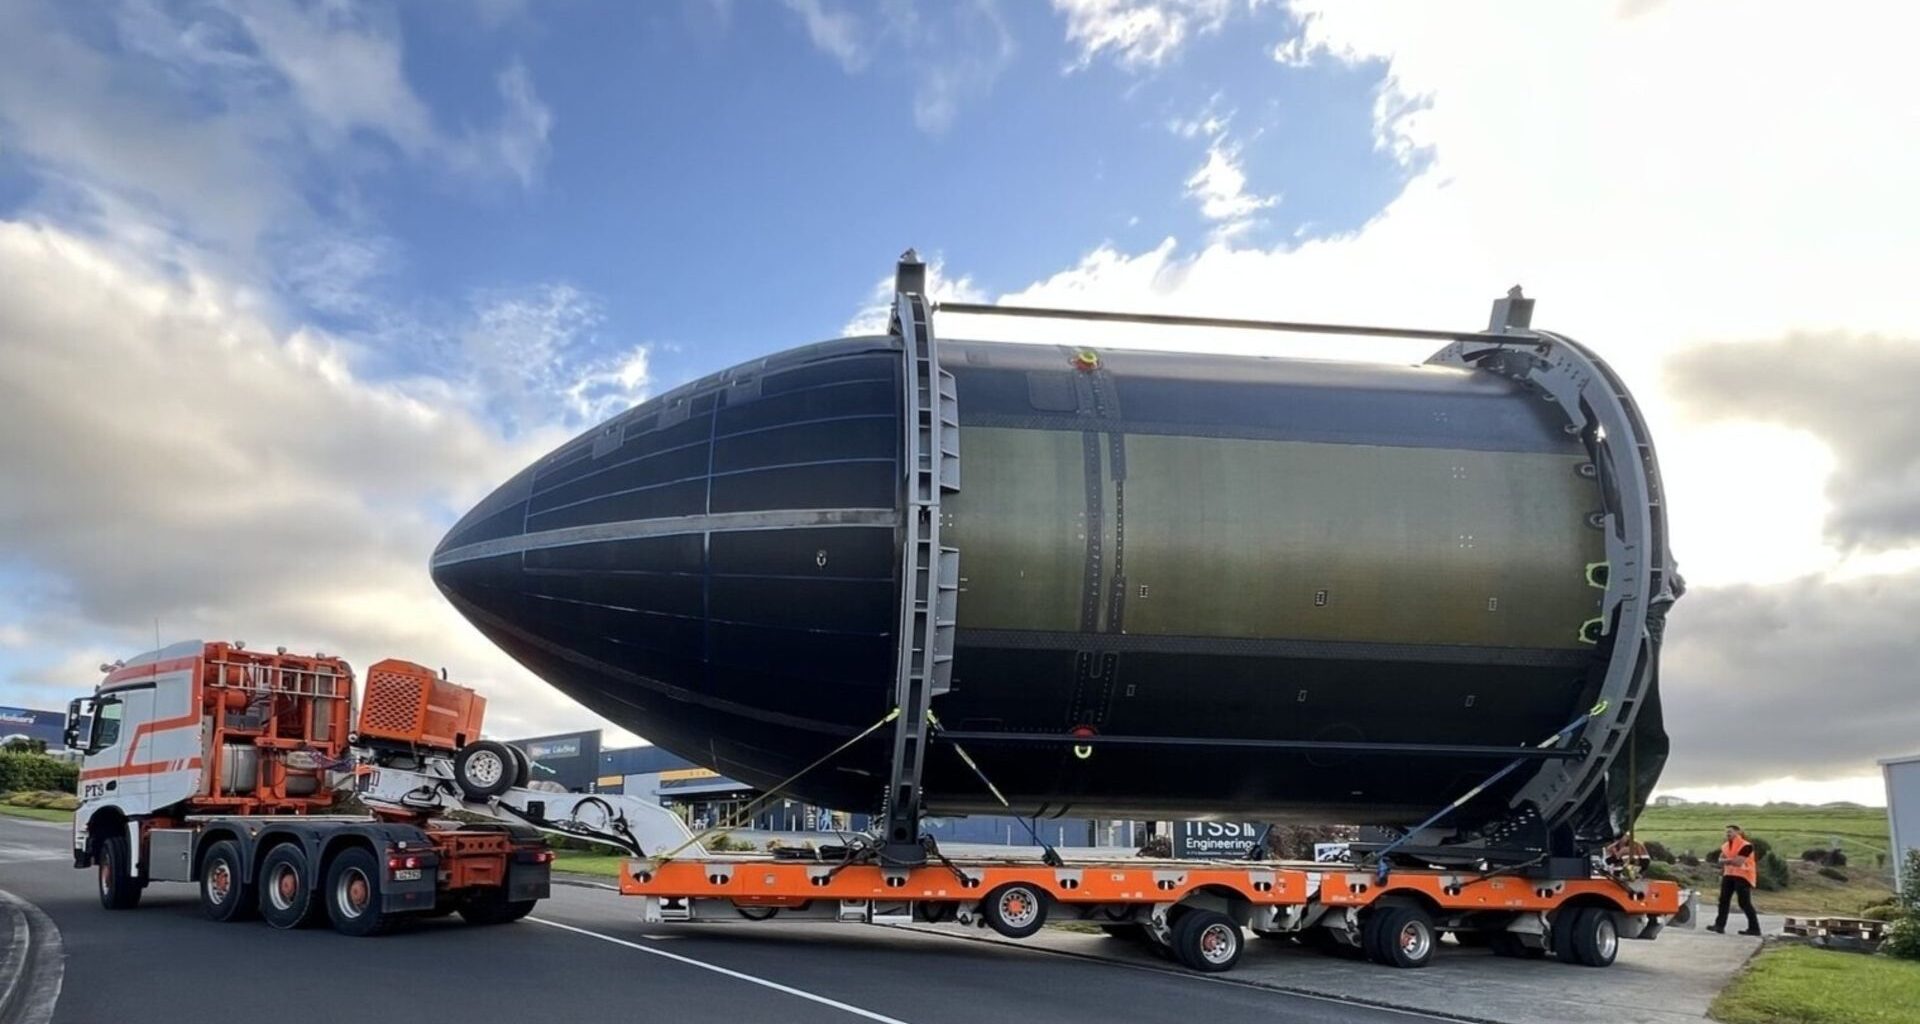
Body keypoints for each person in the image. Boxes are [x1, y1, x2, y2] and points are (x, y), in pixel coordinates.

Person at [1707, 823, 1763, 935]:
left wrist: (1726, 861)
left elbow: (1738, 862)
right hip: (1729, 874)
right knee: (1723, 900)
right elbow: (1721, 859)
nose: (1727, 834)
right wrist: (1729, 861)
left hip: (1743, 875)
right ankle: (1719, 926)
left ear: (1738, 832)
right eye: (1726, 832)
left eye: (1730, 831)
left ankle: (1754, 928)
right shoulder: (1726, 845)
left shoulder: (1746, 846)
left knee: (1744, 902)